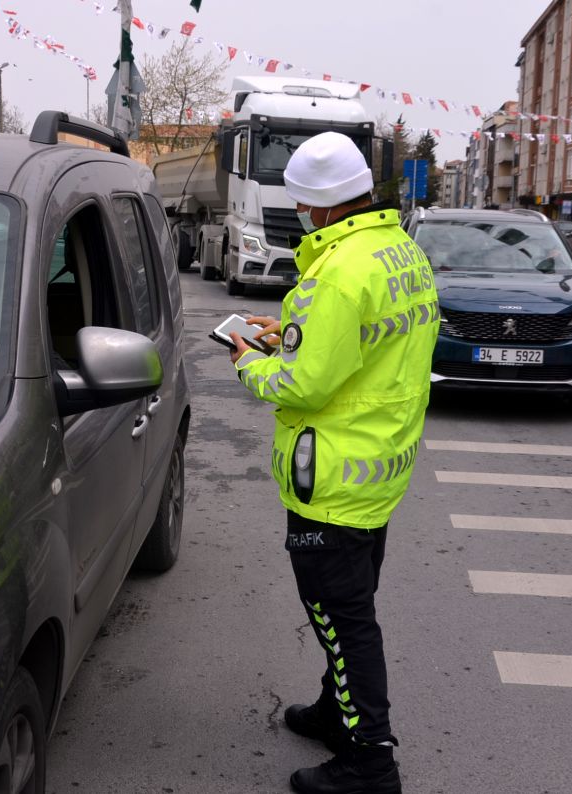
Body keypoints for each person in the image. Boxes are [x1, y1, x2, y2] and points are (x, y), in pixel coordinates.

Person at [227, 132, 439, 794]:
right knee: (349, 604)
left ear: (319, 208)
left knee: (340, 617)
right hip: (378, 466)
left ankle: (370, 762)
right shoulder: (401, 251)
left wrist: (250, 361)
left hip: (331, 479)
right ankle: (334, 714)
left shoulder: (337, 273)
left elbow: (301, 385)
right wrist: (288, 340)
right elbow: (361, 352)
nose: (299, 215)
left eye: (300, 205)